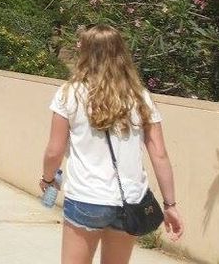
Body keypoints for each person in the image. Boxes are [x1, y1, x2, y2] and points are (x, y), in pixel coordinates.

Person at [39, 24, 183, 263]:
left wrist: (47, 179)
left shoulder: (69, 94)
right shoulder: (140, 97)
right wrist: (170, 204)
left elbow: (54, 151)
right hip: (130, 199)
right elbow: (160, 154)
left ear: (84, 53)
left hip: (87, 196)